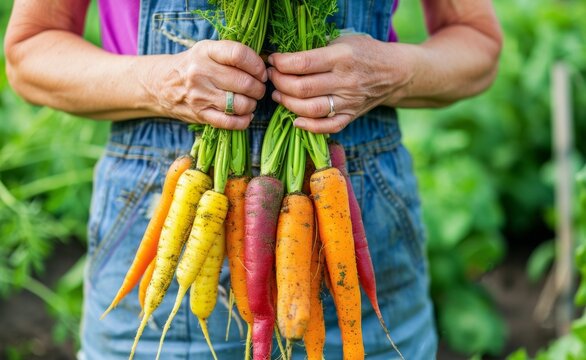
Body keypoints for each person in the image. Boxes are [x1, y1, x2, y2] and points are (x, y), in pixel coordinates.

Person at [5, 0, 502, 358]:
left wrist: (392, 71)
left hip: (357, 233)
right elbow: (29, 54)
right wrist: (162, 83)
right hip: (165, 221)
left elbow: (478, 45)